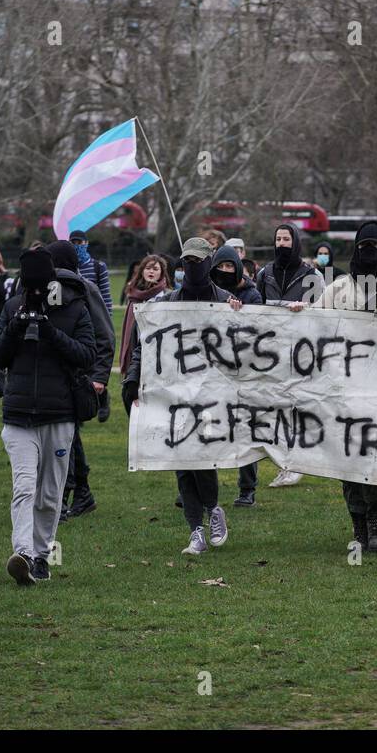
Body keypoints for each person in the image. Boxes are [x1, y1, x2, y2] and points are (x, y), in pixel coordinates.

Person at [290, 221, 377, 551]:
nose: (369, 251)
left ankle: (375, 513)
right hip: (342, 393)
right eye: (364, 245)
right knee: (347, 456)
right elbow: (315, 327)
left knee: (376, 454)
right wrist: (297, 313)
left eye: (376, 246)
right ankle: (358, 519)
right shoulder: (336, 291)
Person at [124, 237, 236, 555]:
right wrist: (134, 383)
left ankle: (213, 508)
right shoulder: (167, 304)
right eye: (187, 262)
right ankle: (195, 529)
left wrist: (237, 316)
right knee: (182, 462)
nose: (192, 267)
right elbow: (144, 346)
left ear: (209, 263)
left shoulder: (226, 300)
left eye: (198, 262)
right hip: (174, 394)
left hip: (212, 395)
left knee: (201, 458)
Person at [0, 246, 96, 584]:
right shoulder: (11, 308)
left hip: (59, 414)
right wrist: (17, 326)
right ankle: (22, 551)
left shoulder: (74, 308)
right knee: (24, 486)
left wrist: (50, 331)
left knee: (50, 495)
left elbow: (86, 355)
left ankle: (44, 556)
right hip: (19, 415)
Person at [47, 240, 114, 520]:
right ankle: (82, 491)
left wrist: (99, 377)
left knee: (66, 436)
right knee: (70, 436)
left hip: (80, 375)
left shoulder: (86, 289)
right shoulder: (48, 289)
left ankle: (66, 493)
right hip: (58, 375)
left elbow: (105, 334)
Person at [255, 223, 320, 488]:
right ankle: (284, 462)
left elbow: (323, 310)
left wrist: (306, 309)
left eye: (286, 238)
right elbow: (255, 306)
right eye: (278, 238)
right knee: (275, 408)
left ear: (296, 242)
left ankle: (296, 463)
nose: (282, 243)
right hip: (271, 351)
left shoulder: (312, 274)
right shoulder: (265, 273)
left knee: (296, 407)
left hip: (301, 350)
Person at [208, 245, 265, 508]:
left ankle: (247, 489)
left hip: (245, 373)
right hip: (216, 370)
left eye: (229, 266)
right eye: (220, 267)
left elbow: (259, 331)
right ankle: (201, 484)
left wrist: (239, 314)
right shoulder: (212, 293)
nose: (224, 271)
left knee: (245, 430)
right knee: (210, 426)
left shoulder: (252, 295)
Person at [119, 254, 171, 375]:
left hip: (159, 348)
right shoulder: (133, 295)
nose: (151, 271)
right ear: (142, 271)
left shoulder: (168, 296)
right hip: (137, 345)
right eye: (148, 268)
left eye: (155, 269)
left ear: (162, 272)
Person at [68, 229, 113, 313]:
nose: (76, 245)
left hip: (93, 316)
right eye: (73, 243)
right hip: (72, 317)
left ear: (86, 243)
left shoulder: (99, 267)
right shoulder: (67, 267)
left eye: (80, 242)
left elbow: (105, 296)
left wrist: (107, 319)